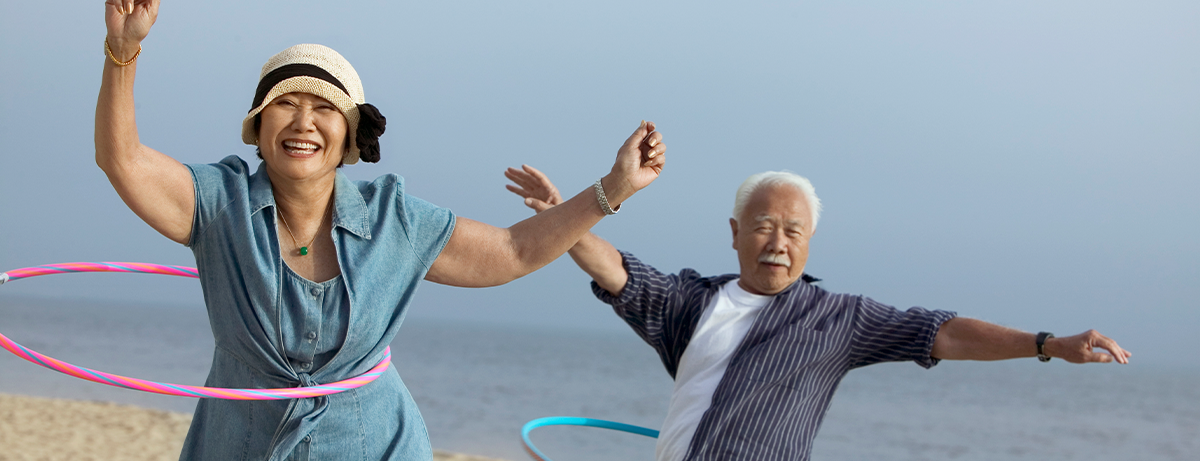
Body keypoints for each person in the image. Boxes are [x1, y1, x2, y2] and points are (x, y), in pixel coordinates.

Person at [95, 1, 666, 459]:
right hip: (241, 445)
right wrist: (124, 52)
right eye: (284, 104)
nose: (302, 123)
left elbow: (512, 250)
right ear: (258, 124)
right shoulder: (219, 204)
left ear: (347, 134)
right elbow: (121, 159)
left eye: (323, 110)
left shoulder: (396, 220)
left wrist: (613, 187)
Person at [505, 165, 1130, 461]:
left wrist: (1047, 342)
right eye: (764, 227)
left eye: (793, 231)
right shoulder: (688, 303)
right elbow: (613, 267)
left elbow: (943, 333)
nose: (778, 242)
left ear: (808, 243)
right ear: (735, 233)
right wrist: (566, 215)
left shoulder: (841, 319)